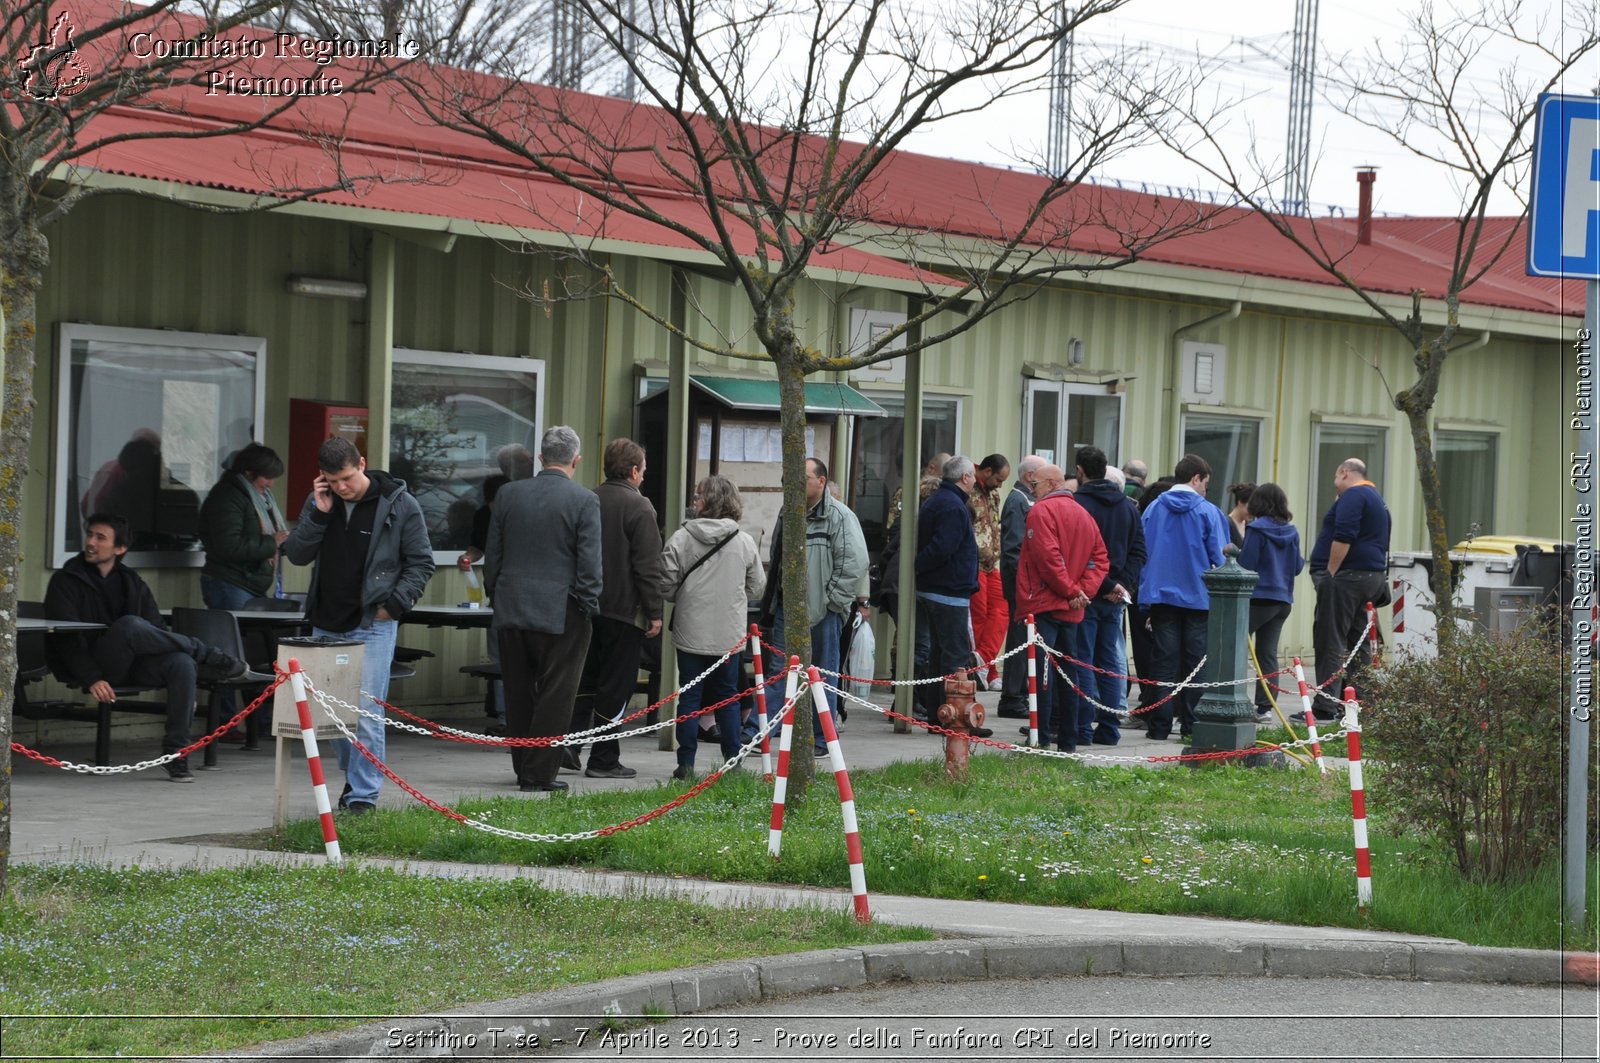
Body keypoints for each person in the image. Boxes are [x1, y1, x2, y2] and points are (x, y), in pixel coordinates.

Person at [283, 437, 435, 813]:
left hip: (372, 622)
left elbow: (421, 562)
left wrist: (395, 605)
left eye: (347, 478)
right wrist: (319, 513)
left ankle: (363, 796)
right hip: (327, 621)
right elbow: (298, 555)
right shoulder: (321, 501)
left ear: (362, 464)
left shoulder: (400, 505)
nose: (341, 488)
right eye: (332, 481)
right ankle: (356, 779)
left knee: (366, 712)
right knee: (332, 716)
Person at [44, 513, 248, 782]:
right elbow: (64, 638)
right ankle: (207, 653)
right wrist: (91, 677)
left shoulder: (131, 581)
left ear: (120, 548)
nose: (91, 542)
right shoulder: (66, 580)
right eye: (90, 534)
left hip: (133, 664)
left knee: (182, 664)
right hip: (96, 668)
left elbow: (156, 630)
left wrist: (184, 681)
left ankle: (176, 754)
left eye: (100, 537)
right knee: (130, 626)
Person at [484, 426, 602, 793]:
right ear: (576, 460)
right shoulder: (584, 500)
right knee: (557, 692)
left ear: (540, 458)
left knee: (518, 690)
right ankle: (539, 773)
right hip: (563, 608)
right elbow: (590, 565)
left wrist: (496, 595)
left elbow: (493, 556)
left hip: (512, 606)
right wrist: (588, 603)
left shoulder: (508, 495)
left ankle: (524, 766)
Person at [759, 456, 869, 755]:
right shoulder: (788, 513)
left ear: (821, 481)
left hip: (824, 613)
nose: (795, 483)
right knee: (780, 670)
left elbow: (855, 563)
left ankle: (821, 740)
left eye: (803, 478)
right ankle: (763, 734)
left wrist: (832, 601)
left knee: (823, 674)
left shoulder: (840, 517)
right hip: (787, 608)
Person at [569, 439, 663, 780]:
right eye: (643, 470)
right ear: (634, 470)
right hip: (625, 611)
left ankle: (571, 743)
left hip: (585, 607)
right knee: (616, 685)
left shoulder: (587, 499)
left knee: (585, 678)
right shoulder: (639, 507)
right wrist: (654, 611)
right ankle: (604, 758)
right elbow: (648, 566)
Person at [661, 475, 765, 780]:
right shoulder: (743, 541)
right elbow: (757, 587)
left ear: (706, 503)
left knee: (690, 697)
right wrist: (733, 599)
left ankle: (686, 764)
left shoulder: (681, 538)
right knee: (728, 697)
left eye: (698, 496)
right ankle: (733, 761)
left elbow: (665, 585)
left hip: (690, 630)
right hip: (728, 635)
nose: (694, 501)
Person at [1137, 455, 1230, 741]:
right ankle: (1192, 725)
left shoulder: (1153, 508)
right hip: (1198, 597)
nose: (1206, 489)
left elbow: (1142, 550)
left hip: (1161, 596)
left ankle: (1159, 726)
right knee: (1195, 663)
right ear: (1196, 478)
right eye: (1206, 483)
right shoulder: (1208, 512)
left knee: (1163, 661)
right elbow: (1221, 557)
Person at [1016, 465, 1107, 752]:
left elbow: (1048, 558)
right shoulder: (1084, 515)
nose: (1032, 489)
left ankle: (1041, 740)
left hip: (1046, 604)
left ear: (1052, 484)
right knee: (1069, 675)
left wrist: (1073, 591)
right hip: (1071, 607)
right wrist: (1082, 591)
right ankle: (1067, 742)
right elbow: (1100, 559)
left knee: (1043, 677)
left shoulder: (1041, 512)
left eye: (1036, 484)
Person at [911, 455, 992, 736]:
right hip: (947, 592)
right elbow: (943, 547)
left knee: (938, 656)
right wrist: (922, 565)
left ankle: (940, 718)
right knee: (955, 657)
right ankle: (955, 720)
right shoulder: (952, 505)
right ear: (965, 478)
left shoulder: (940, 500)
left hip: (939, 589)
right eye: (972, 476)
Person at [1071, 445, 1146, 746]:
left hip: (1086, 594)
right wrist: (1122, 585)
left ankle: (1084, 728)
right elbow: (1139, 551)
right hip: (1115, 596)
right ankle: (1110, 728)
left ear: (1079, 471)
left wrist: (1106, 585)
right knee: (1110, 662)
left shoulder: (1077, 505)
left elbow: (1077, 555)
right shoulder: (1128, 507)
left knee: (1084, 661)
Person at [1309, 457, 1391, 708]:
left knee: (1330, 639)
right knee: (1358, 642)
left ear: (1344, 473)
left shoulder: (1354, 496)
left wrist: (1331, 573)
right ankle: (1358, 703)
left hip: (1347, 577)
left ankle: (1325, 706)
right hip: (1369, 577)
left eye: (1336, 478)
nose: (1335, 484)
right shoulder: (1377, 499)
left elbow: (1344, 535)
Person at [1237, 482, 1304, 719]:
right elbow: (1297, 567)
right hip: (1283, 601)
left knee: (1234, 645)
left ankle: (1232, 698)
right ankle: (1265, 708)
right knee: (1267, 653)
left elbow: (1246, 564)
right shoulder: (1292, 531)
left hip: (1259, 598)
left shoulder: (1256, 530)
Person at [198, 443, 289, 610]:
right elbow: (228, 545)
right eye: (267, 477)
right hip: (230, 582)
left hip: (249, 582)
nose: (271, 484)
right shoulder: (227, 497)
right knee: (236, 635)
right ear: (249, 472)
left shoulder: (260, 498)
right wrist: (272, 543)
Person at [997, 454, 1046, 719]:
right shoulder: (1018, 501)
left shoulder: (1026, 500)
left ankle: (1019, 694)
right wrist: (1025, 585)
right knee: (1019, 640)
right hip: (1021, 586)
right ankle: (1012, 697)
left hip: (1025, 584)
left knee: (1025, 640)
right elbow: (1014, 548)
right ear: (1030, 476)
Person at [968, 453, 1010, 689]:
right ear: (986, 472)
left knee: (1002, 610)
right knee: (979, 617)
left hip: (991, 564)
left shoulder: (992, 494)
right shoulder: (969, 489)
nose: (1000, 485)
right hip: (974, 564)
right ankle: (988, 670)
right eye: (999, 479)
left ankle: (982, 660)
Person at [1225, 481, 1256, 550]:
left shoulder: (1251, 525)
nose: (1254, 512)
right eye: (1251, 507)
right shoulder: (1226, 524)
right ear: (1240, 502)